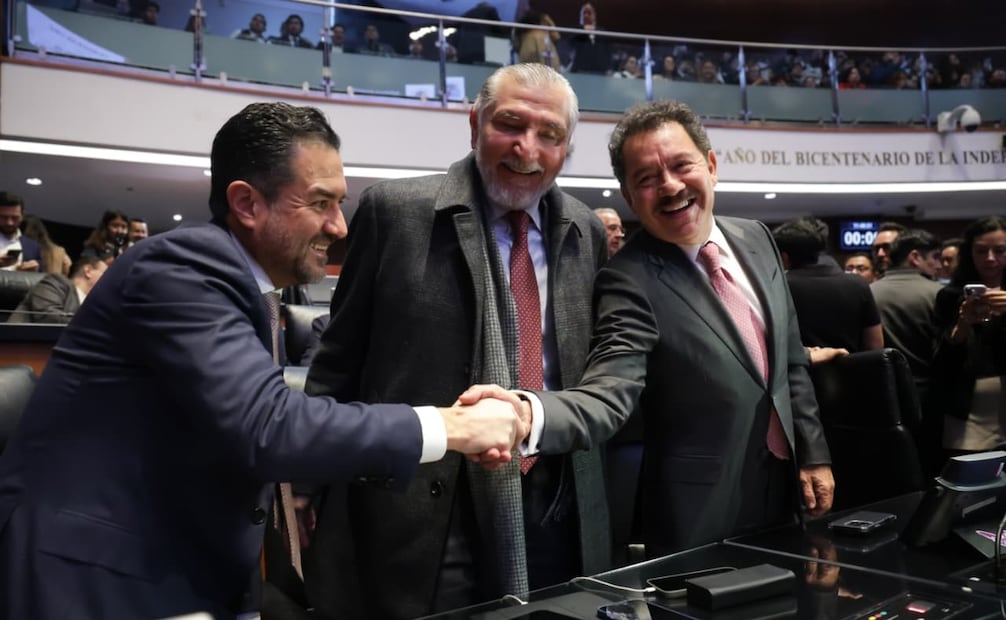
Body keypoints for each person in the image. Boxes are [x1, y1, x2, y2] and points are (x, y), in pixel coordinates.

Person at [0, 102, 524, 620]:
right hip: (93, 577)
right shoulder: (183, 267)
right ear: (247, 203)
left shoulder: (251, 289)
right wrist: (451, 426)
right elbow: (266, 428)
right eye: (320, 203)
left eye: (339, 203)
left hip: (178, 568)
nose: (339, 227)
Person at [304, 64, 613, 619]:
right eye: (510, 125)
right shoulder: (394, 213)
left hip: (551, 497)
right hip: (421, 505)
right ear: (474, 123)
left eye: (550, 135)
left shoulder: (585, 230)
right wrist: (307, 483)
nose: (528, 149)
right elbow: (339, 359)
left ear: (567, 147)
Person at [463, 99, 835, 558]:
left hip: (789, 490)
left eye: (682, 165)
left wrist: (813, 452)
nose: (671, 186)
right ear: (629, 195)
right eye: (647, 179)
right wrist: (527, 415)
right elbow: (610, 389)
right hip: (699, 512)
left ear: (712, 165)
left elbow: (790, 360)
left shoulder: (756, 237)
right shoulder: (628, 278)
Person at [869, 229, 945, 476]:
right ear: (915, 257)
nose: (939, 265)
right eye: (935, 257)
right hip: (932, 398)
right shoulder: (937, 294)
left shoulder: (869, 292)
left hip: (883, 397)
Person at [932, 216, 1006, 460]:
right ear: (970, 253)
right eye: (981, 251)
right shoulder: (950, 296)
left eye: (1000, 250)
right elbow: (942, 359)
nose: (991, 259)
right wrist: (964, 322)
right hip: (966, 407)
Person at [773, 217, 883, 353]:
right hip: (851, 370)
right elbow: (875, 345)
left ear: (784, 257)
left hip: (802, 370)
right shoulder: (857, 283)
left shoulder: (779, 286)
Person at [7, 255, 107, 324]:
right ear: (88, 271)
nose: (109, 279)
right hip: (19, 349)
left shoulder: (95, 304)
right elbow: (48, 317)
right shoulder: (56, 282)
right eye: (106, 273)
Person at [0, 192, 41, 272]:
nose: (9, 222)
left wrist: (34, 271)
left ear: (22, 216)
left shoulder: (33, 247)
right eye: (3, 217)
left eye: (15, 218)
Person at [569, 2, 611, 75]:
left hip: (599, 72)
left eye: (589, 13)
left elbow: (607, 50)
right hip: (580, 71)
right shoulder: (575, 30)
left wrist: (609, 67)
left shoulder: (602, 31)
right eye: (584, 13)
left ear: (594, 15)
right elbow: (570, 43)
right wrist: (583, 29)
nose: (586, 15)